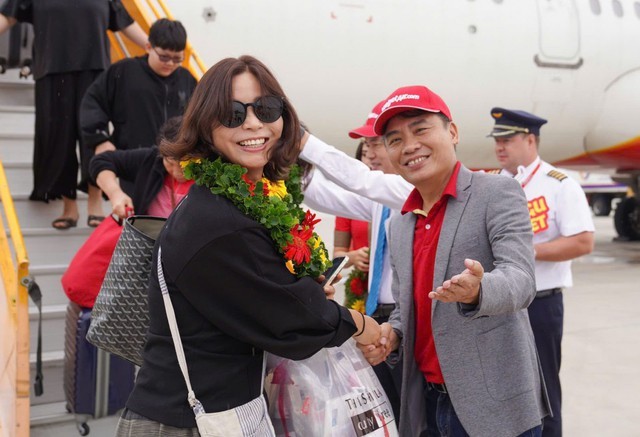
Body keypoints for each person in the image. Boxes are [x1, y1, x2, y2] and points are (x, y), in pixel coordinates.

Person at [115, 56, 381, 436]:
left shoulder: (235, 205)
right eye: (233, 113)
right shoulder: (219, 221)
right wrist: (362, 325)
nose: (254, 123)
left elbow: (269, 298)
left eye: (267, 108)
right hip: (183, 423)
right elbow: (297, 319)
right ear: (206, 127)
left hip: (212, 412)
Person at [360, 85, 550, 437]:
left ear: (453, 132)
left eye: (420, 129)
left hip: (495, 407)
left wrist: (479, 291)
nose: (410, 145)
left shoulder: (496, 193)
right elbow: (405, 309)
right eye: (395, 139)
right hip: (427, 406)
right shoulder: (400, 224)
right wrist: (393, 335)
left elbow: (521, 279)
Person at [488, 108, 595, 437]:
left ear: (530, 140)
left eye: (508, 139)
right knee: (502, 389)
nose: (500, 147)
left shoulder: (558, 185)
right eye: (497, 141)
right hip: (500, 304)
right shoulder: (493, 185)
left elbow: (583, 241)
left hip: (540, 304)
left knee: (544, 392)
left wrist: (526, 251)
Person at [0, 1, 147, 230]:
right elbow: (8, 16)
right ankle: (69, 205)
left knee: (94, 136)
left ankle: (95, 202)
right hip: (51, 71)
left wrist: (152, 45)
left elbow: (124, 22)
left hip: (94, 70)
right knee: (58, 139)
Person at [81, 18, 197, 207]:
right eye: (164, 57)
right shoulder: (124, 71)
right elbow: (93, 101)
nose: (170, 63)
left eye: (177, 59)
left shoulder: (186, 80)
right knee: (137, 214)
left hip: (174, 166)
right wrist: (99, 139)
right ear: (149, 46)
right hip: (135, 162)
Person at [89, 116, 192, 220]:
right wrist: (115, 194)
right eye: (170, 163)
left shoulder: (207, 173)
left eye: (183, 165)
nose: (176, 172)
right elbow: (101, 161)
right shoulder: (151, 160)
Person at [333, 140, 371, 273]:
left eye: (376, 149)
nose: (370, 158)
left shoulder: (400, 192)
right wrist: (353, 257)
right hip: (361, 282)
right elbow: (337, 254)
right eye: (365, 154)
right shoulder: (349, 201)